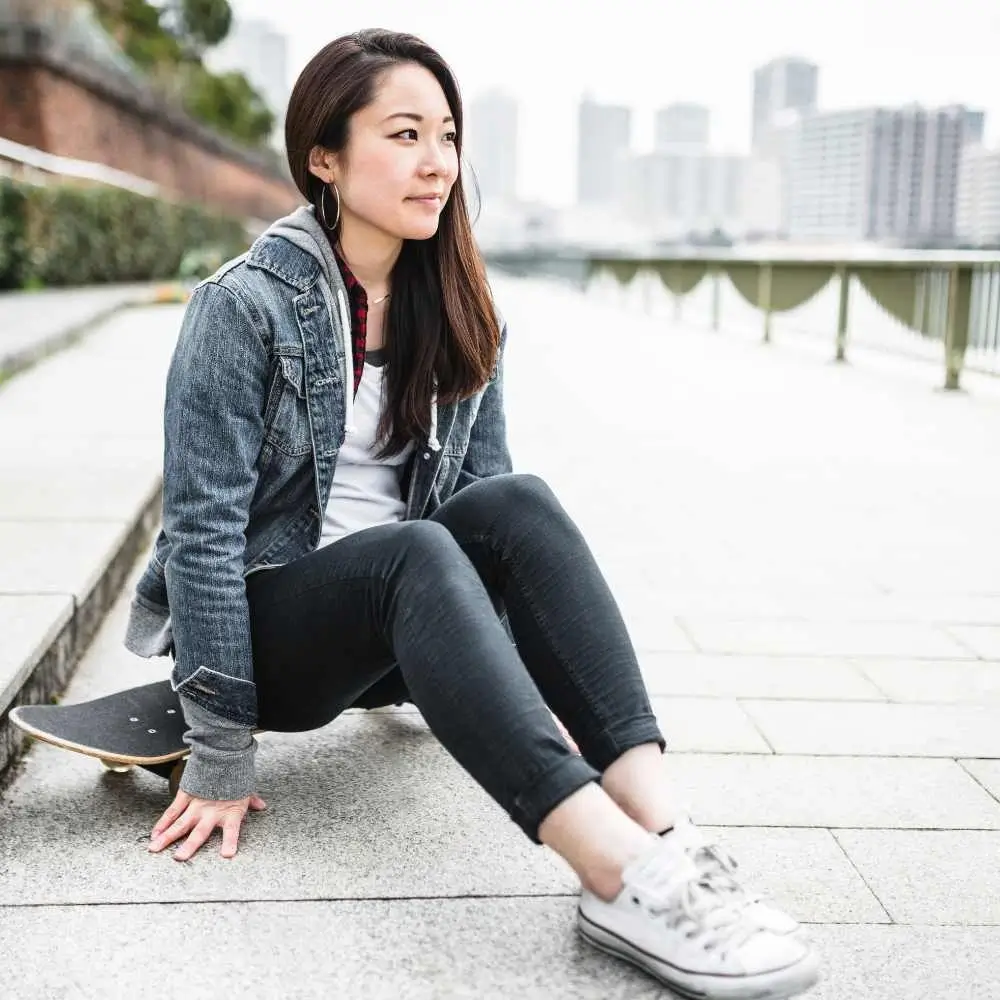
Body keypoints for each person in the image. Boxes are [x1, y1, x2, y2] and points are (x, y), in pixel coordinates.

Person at [123, 29, 820, 1000]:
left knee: (516, 501)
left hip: (397, 639)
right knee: (409, 551)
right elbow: (199, 536)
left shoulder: (455, 303)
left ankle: (668, 838)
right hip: (278, 638)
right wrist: (221, 750)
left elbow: (478, 517)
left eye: (446, 136)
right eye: (404, 134)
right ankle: (615, 874)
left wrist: (530, 704)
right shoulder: (243, 308)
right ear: (323, 158)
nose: (435, 162)